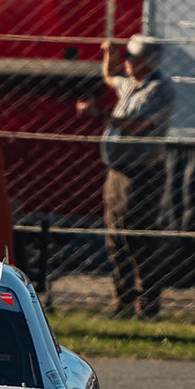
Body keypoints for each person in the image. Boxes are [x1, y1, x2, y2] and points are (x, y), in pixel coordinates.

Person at [77, 34, 175, 320]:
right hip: (117, 173)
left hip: (142, 175)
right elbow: (110, 75)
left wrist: (100, 116)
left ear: (149, 61)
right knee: (115, 238)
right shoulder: (131, 84)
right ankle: (122, 301)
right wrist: (110, 52)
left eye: (132, 57)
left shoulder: (159, 89)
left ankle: (147, 306)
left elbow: (139, 125)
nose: (127, 62)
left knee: (136, 238)